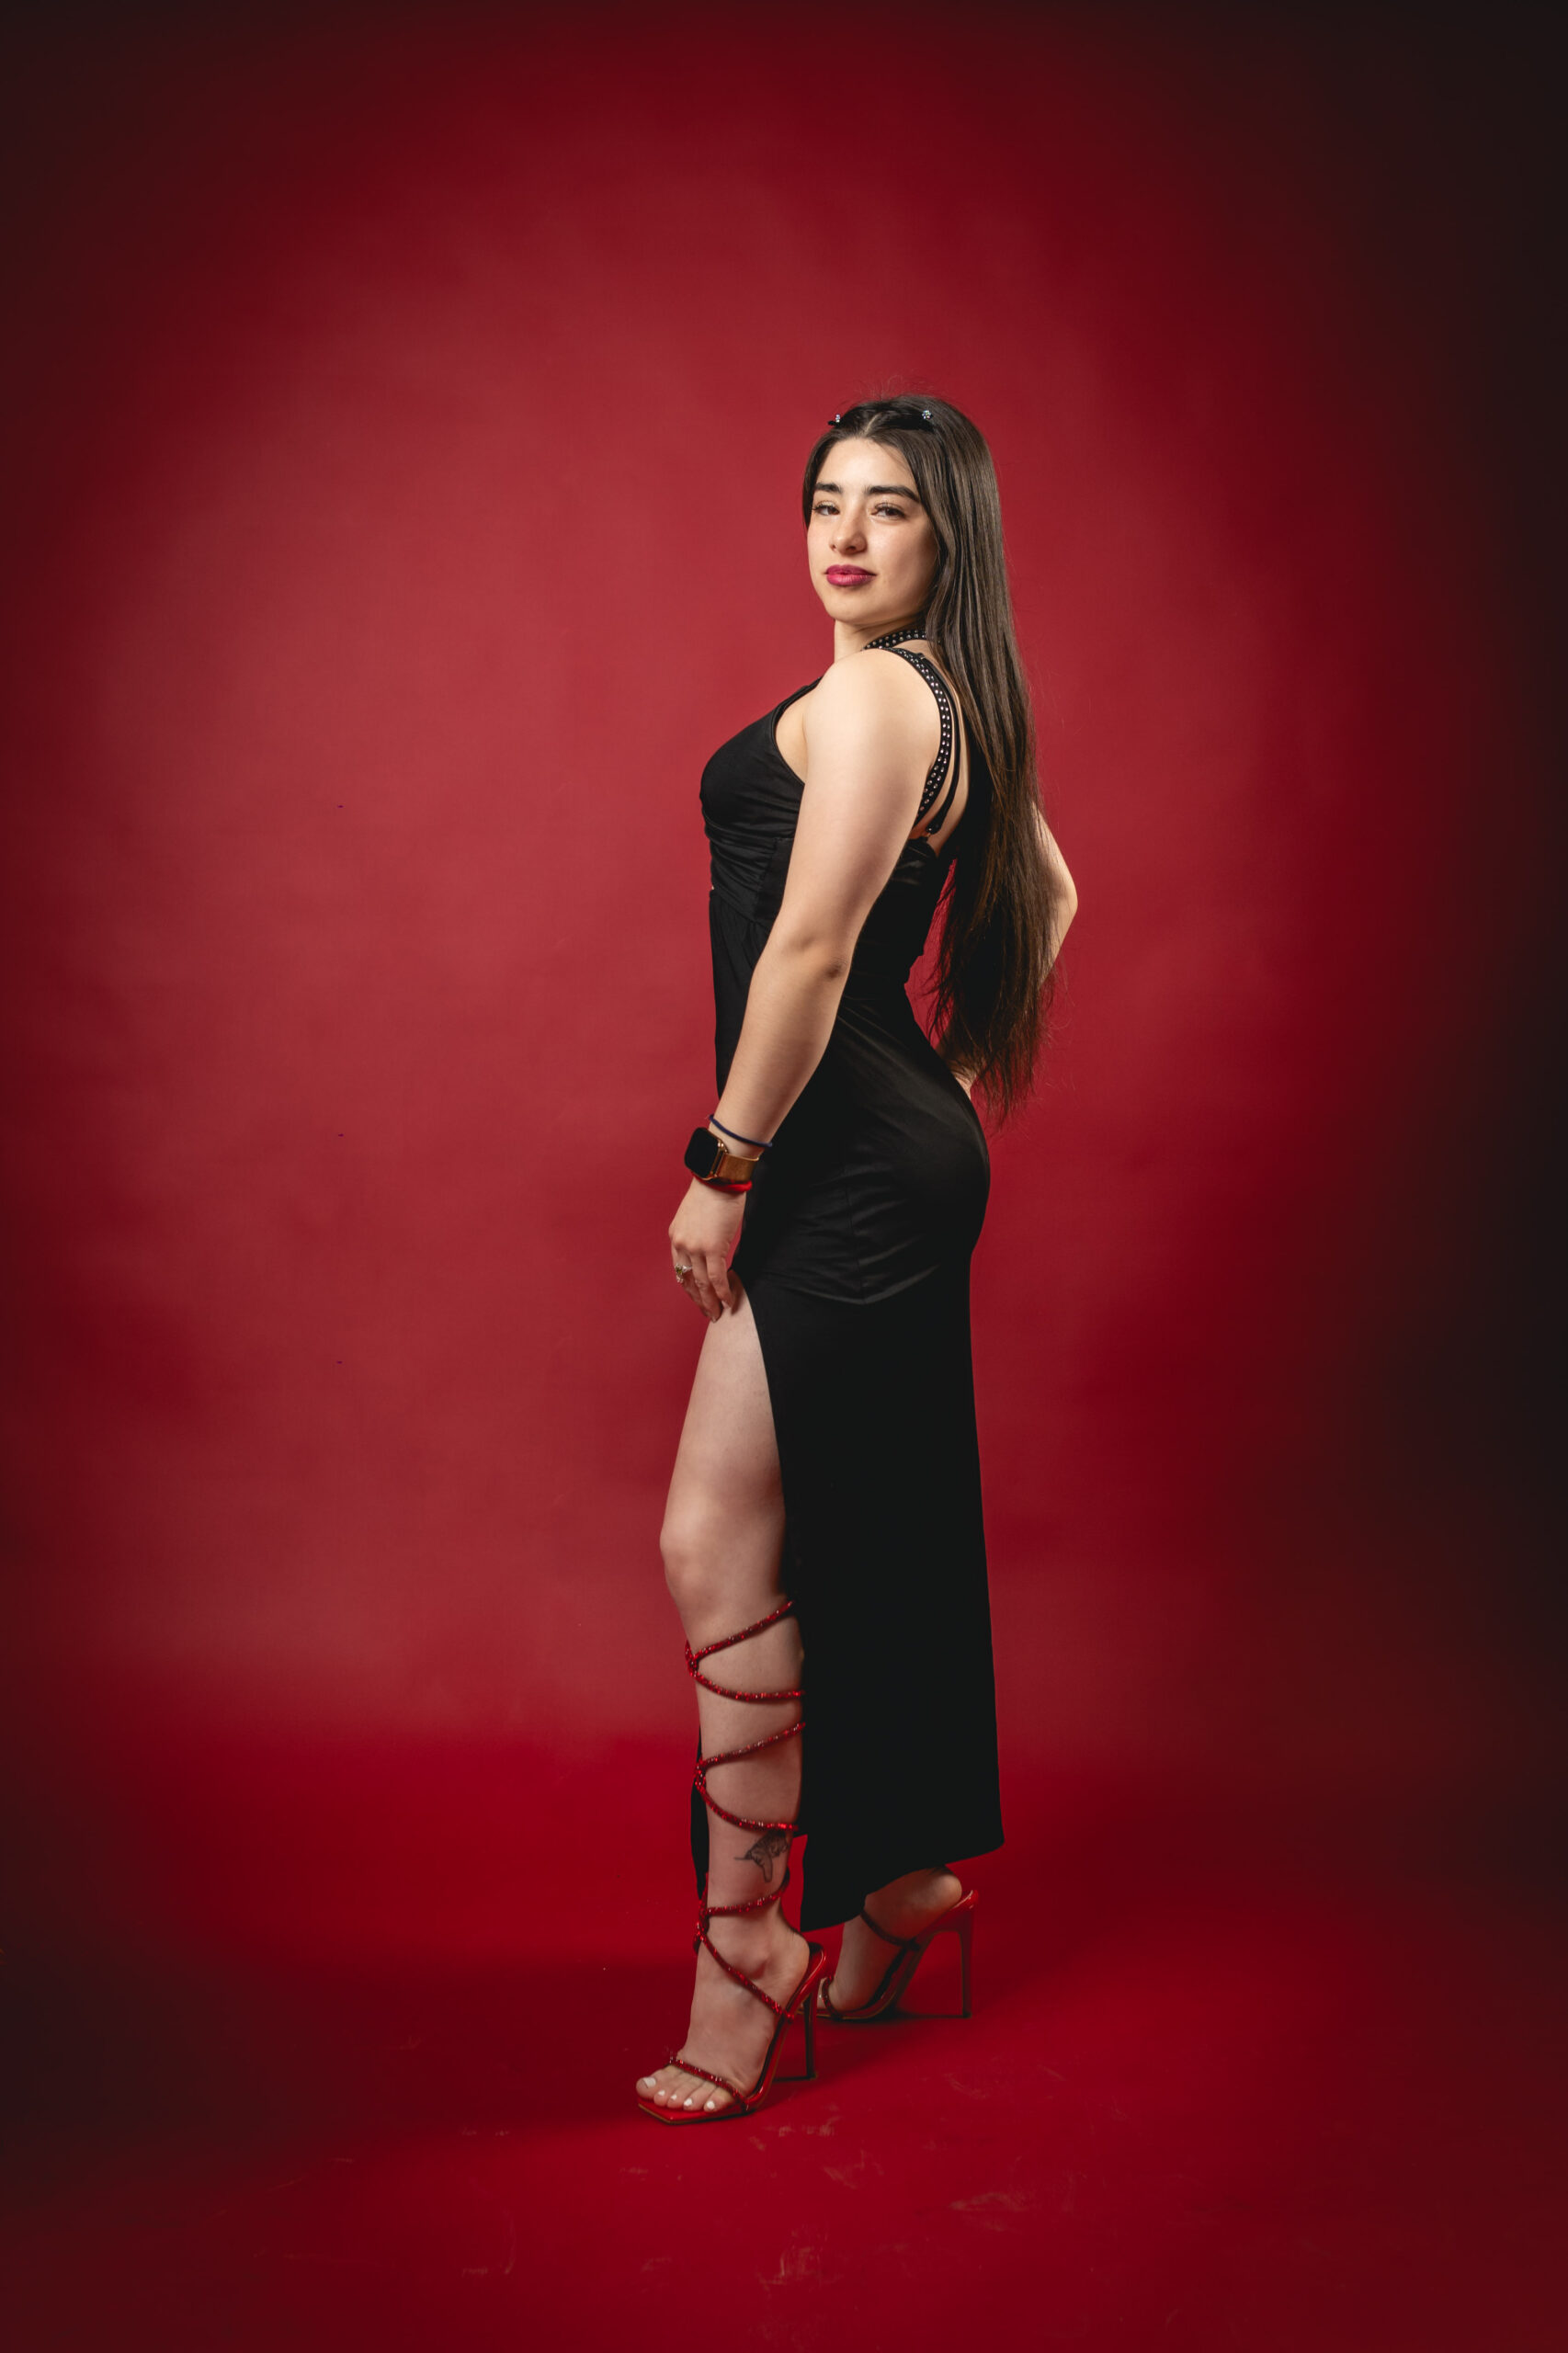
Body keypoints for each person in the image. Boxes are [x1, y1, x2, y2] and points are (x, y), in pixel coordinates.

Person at [635, 395, 1077, 2123]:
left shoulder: (890, 696)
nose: (844, 533)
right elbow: (1047, 896)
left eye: (888, 508)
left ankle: (748, 1947)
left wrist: (723, 1165)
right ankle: (897, 1887)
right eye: (827, 499)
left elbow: (812, 953)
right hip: (874, 1150)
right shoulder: (932, 700)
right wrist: (933, 1098)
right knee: (863, 1533)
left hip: (830, 1167)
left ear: (946, 534)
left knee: (713, 1544)